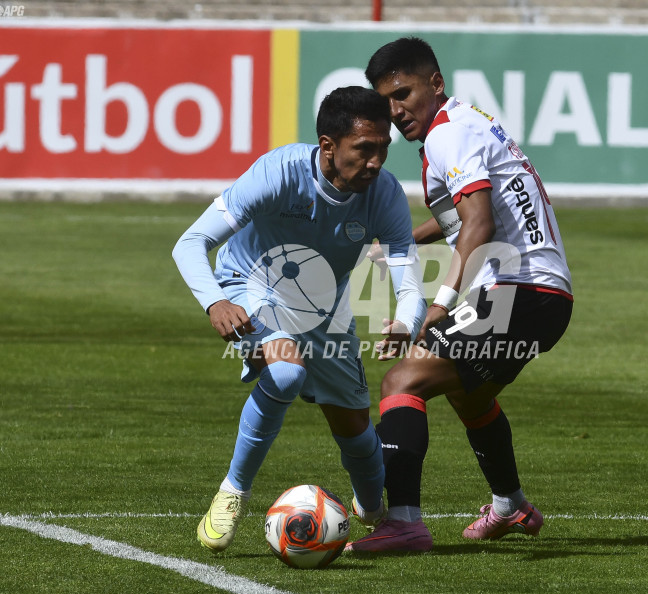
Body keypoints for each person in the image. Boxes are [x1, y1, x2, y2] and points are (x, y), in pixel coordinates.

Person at [172, 86, 426, 553]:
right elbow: (190, 243)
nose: (375, 162)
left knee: (355, 431)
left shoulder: (385, 193)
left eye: (383, 150)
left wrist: (407, 321)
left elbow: (409, 281)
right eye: (364, 149)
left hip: (323, 309)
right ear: (328, 146)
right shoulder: (278, 173)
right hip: (248, 286)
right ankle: (233, 492)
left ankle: (371, 508)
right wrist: (215, 302)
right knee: (286, 373)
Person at [348, 37, 573, 552]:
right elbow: (458, 218)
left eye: (403, 94)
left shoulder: (450, 135)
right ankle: (510, 505)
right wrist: (401, 243)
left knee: (403, 379)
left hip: (521, 288)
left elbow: (479, 223)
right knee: (469, 395)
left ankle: (403, 523)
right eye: (386, 102)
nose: (396, 110)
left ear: (435, 83)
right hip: (542, 291)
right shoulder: (464, 121)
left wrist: (439, 304)